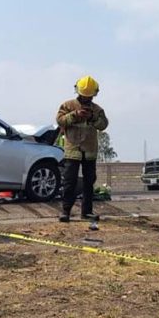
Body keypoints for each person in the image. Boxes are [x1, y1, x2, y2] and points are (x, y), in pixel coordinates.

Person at [56, 75, 109, 222]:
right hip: (72, 150)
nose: (86, 99)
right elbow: (60, 120)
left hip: (90, 150)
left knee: (89, 182)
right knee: (69, 181)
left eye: (89, 97)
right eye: (84, 96)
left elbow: (103, 125)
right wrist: (74, 115)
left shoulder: (97, 110)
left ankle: (87, 212)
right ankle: (65, 211)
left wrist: (92, 118)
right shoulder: (67, 105)